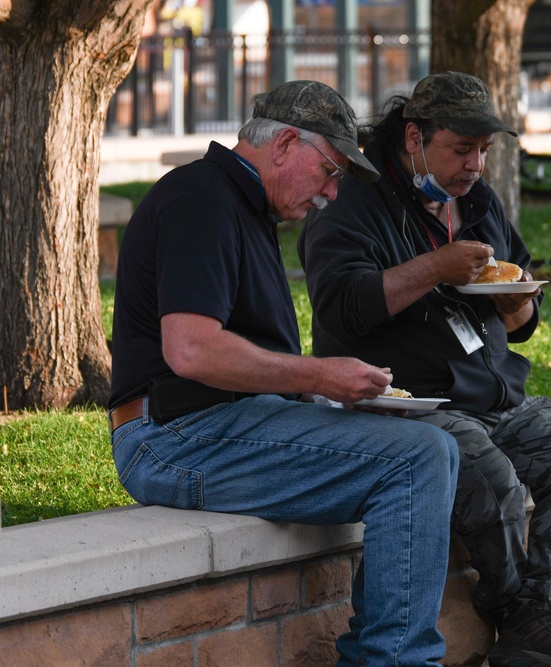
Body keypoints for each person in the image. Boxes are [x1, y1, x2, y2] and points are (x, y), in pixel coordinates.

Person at [108, 80, 460, 667]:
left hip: (207, 425)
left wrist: (337, 405)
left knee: (433, 448)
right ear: (285, 143)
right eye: (328, 171)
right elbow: (192, 351)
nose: (330, 192)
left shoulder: (240, 205)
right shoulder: (201, 197)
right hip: (170, 438)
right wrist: (320, 378)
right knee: (418, 457)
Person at [298, 71, 551, 667]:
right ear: (415, 136)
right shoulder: (353, 203)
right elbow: (341, 306)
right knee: (487, 474)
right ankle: (520, 619)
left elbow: (524, 313)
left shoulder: (476, 201)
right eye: (461, 149)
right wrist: (435, 267)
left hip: (492, 391)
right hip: (407, 401)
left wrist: (515, 301)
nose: (474, 164)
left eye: (484, 151)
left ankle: (542, 622)